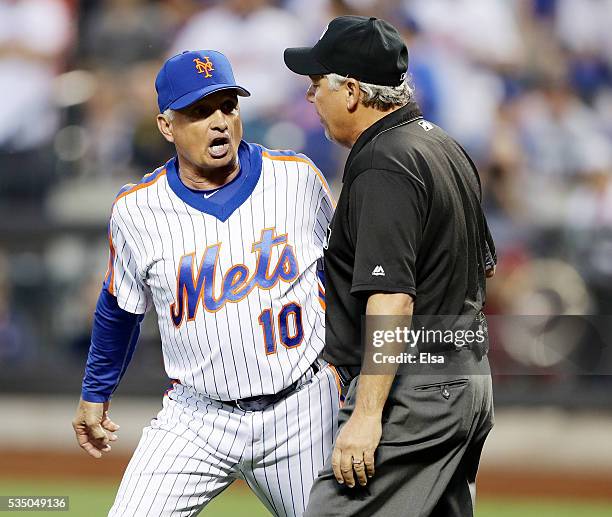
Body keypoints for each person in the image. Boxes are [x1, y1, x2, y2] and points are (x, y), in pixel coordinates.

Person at [72, 49, 341, 517]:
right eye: (199, 112)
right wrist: (95, 393)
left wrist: (356, 377)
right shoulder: (137, 210)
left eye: (228, 107)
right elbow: (118, 309)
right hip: (197, 417)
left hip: (302, 410)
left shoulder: (296, 179)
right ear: (166, 126)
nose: (219, 122)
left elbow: (346, 276)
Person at [284, 16, 497, 517]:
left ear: (352, 91)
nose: (311, 98)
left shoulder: (384, 161)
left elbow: (393, 298)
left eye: (317, 85)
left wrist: (367, 414)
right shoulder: (440, 144)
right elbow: (483, 266)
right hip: (462, 374)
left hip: (414, 385)